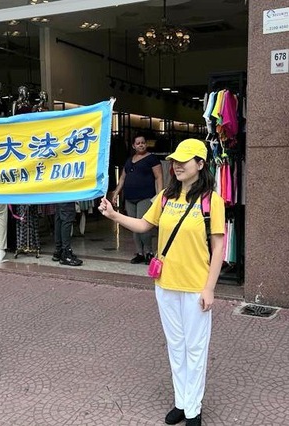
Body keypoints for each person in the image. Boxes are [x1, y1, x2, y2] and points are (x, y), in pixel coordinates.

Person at [99, 138, 225, 426]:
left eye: (184, 160)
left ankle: (194, 408)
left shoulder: (211, 201)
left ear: (201, 164)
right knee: (175, 346)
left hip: (195, 287)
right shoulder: (166, 197)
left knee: (195, 349)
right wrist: (114, 214)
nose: (177, 165)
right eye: (175, 161)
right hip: (165, 284)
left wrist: (209, 288)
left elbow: (218, 247)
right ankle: (181, 401)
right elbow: (144, 225)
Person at [111, 134, 163, 265]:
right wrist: (116, 192)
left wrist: (160, 195)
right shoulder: (129, 160)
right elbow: (122, 178)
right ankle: (139, 253)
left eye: (143, 142)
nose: (141, 145)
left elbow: (159, 177)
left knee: (143, 226)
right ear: (134, 146)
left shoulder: (152, 159)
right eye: (138, 143)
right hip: (129, 198)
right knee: (134, 227)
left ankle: (149, 252)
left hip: (145, 197)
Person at [52, 202, 83, 266]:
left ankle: (59, 250)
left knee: (60, 215)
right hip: (66, 193)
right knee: (67, 214)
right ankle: (66, 253)